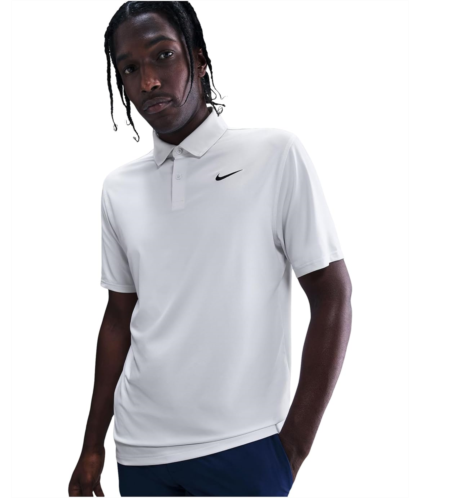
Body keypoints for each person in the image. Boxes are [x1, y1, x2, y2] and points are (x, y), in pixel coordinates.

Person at [68, 1, 353, 496]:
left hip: (245, 446)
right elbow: (118, 318)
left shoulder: (273, 154)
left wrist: (293, 448)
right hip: (141, 451)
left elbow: (333, 295)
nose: (148, 81)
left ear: (198, 58)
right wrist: (93, 445)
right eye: (129, 68)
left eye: (163, 55)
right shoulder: (119, 189)